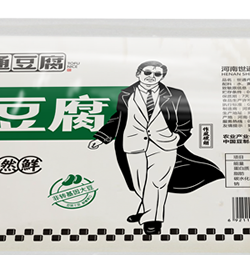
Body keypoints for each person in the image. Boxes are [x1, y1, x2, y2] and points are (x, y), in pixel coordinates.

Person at [89, 61, 224, 234]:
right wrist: (102, 137)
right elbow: (119, 117)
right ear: (138, 74)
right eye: (147, 72)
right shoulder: (126, 94)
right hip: (133, 144)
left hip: (164, 145)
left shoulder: (175, 94)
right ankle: (145, 210)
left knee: (157, 182)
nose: (151, 77)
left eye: (157, 74)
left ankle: (152, 221)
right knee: (139, 184)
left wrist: (177, 138)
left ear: (162, 77)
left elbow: (185, 119)